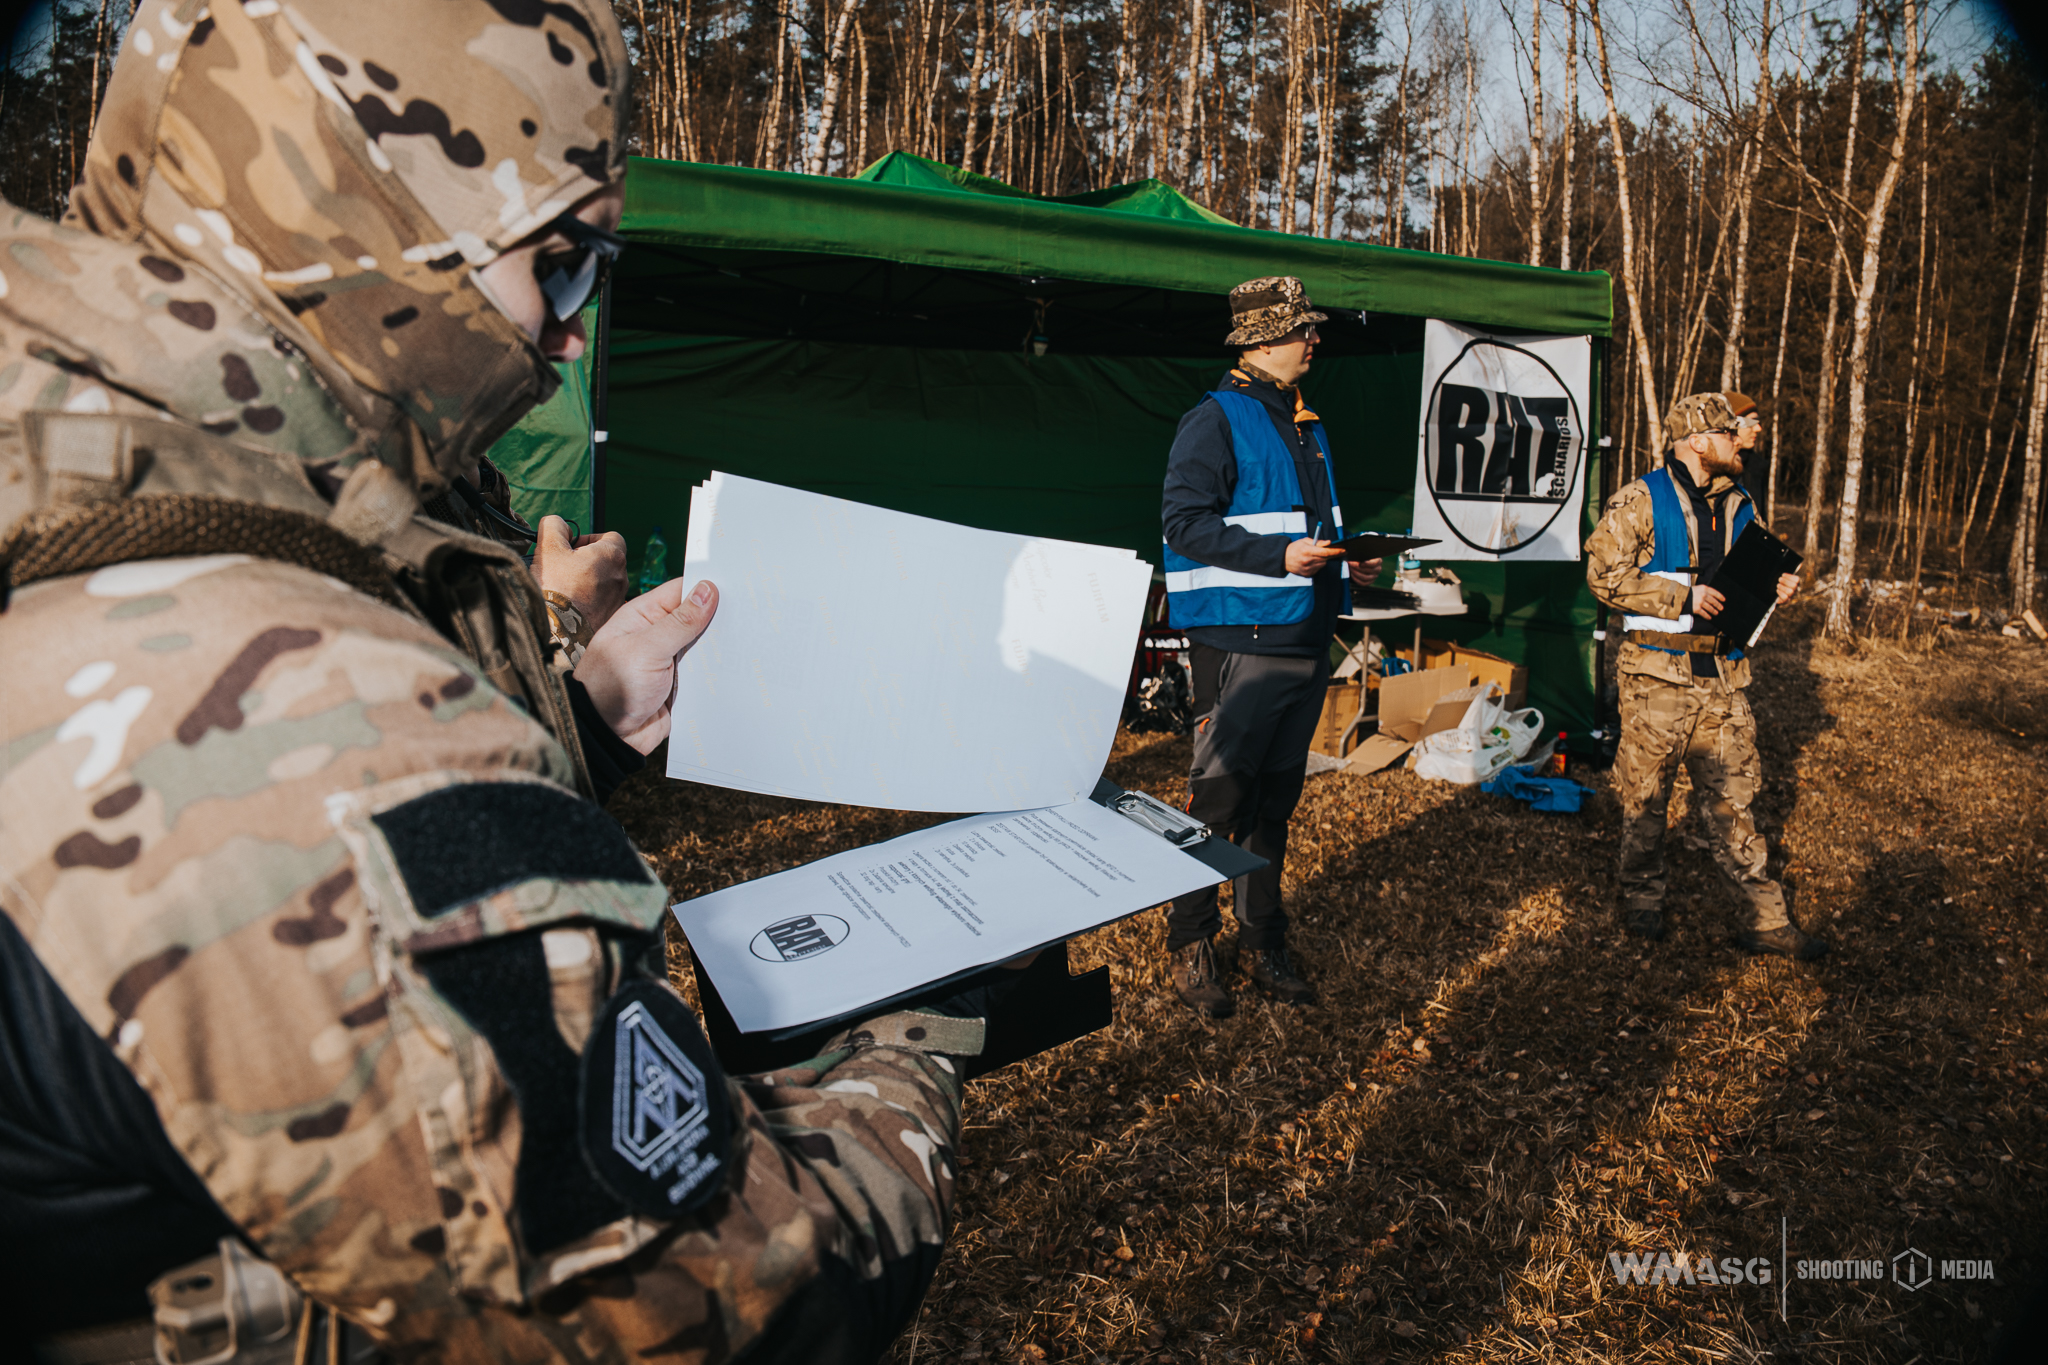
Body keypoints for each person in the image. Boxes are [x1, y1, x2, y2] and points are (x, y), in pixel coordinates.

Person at [2, 2, 984, 1361]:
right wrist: (912, 1046)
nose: (573, 336)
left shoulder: (73, 467)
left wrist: (580, 723)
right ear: (361, 221)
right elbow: (728, 1312)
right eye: (562, 263)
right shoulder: (308, 718)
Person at [1158, 277, 1379, 1018]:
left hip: (1305, 634)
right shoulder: (1214, 419)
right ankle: (1191, 940)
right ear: (1259, 341)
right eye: (1301, 329)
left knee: (1273, 802)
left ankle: (1262, 940)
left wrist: (1347, 560)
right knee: (1217, 798)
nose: (1314, 339)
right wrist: (1279, 557)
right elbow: (1183, 523)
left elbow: (1307, 527)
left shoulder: (1306, 421)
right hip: (1240, 638)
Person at [1584, 392, 1828, 960]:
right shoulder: (1640, 500)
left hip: (1724, 680)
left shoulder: (1740, 504)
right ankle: (1642, 900)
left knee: (1735, 803)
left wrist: (1778, 589)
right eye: (1727, 433)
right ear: (1698, 442)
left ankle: (1766, 921)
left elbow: (1750, 579)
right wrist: (1681, 596)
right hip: (1655, 681)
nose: (1739, 441)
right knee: (1645, 800)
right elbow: (1601, 575)